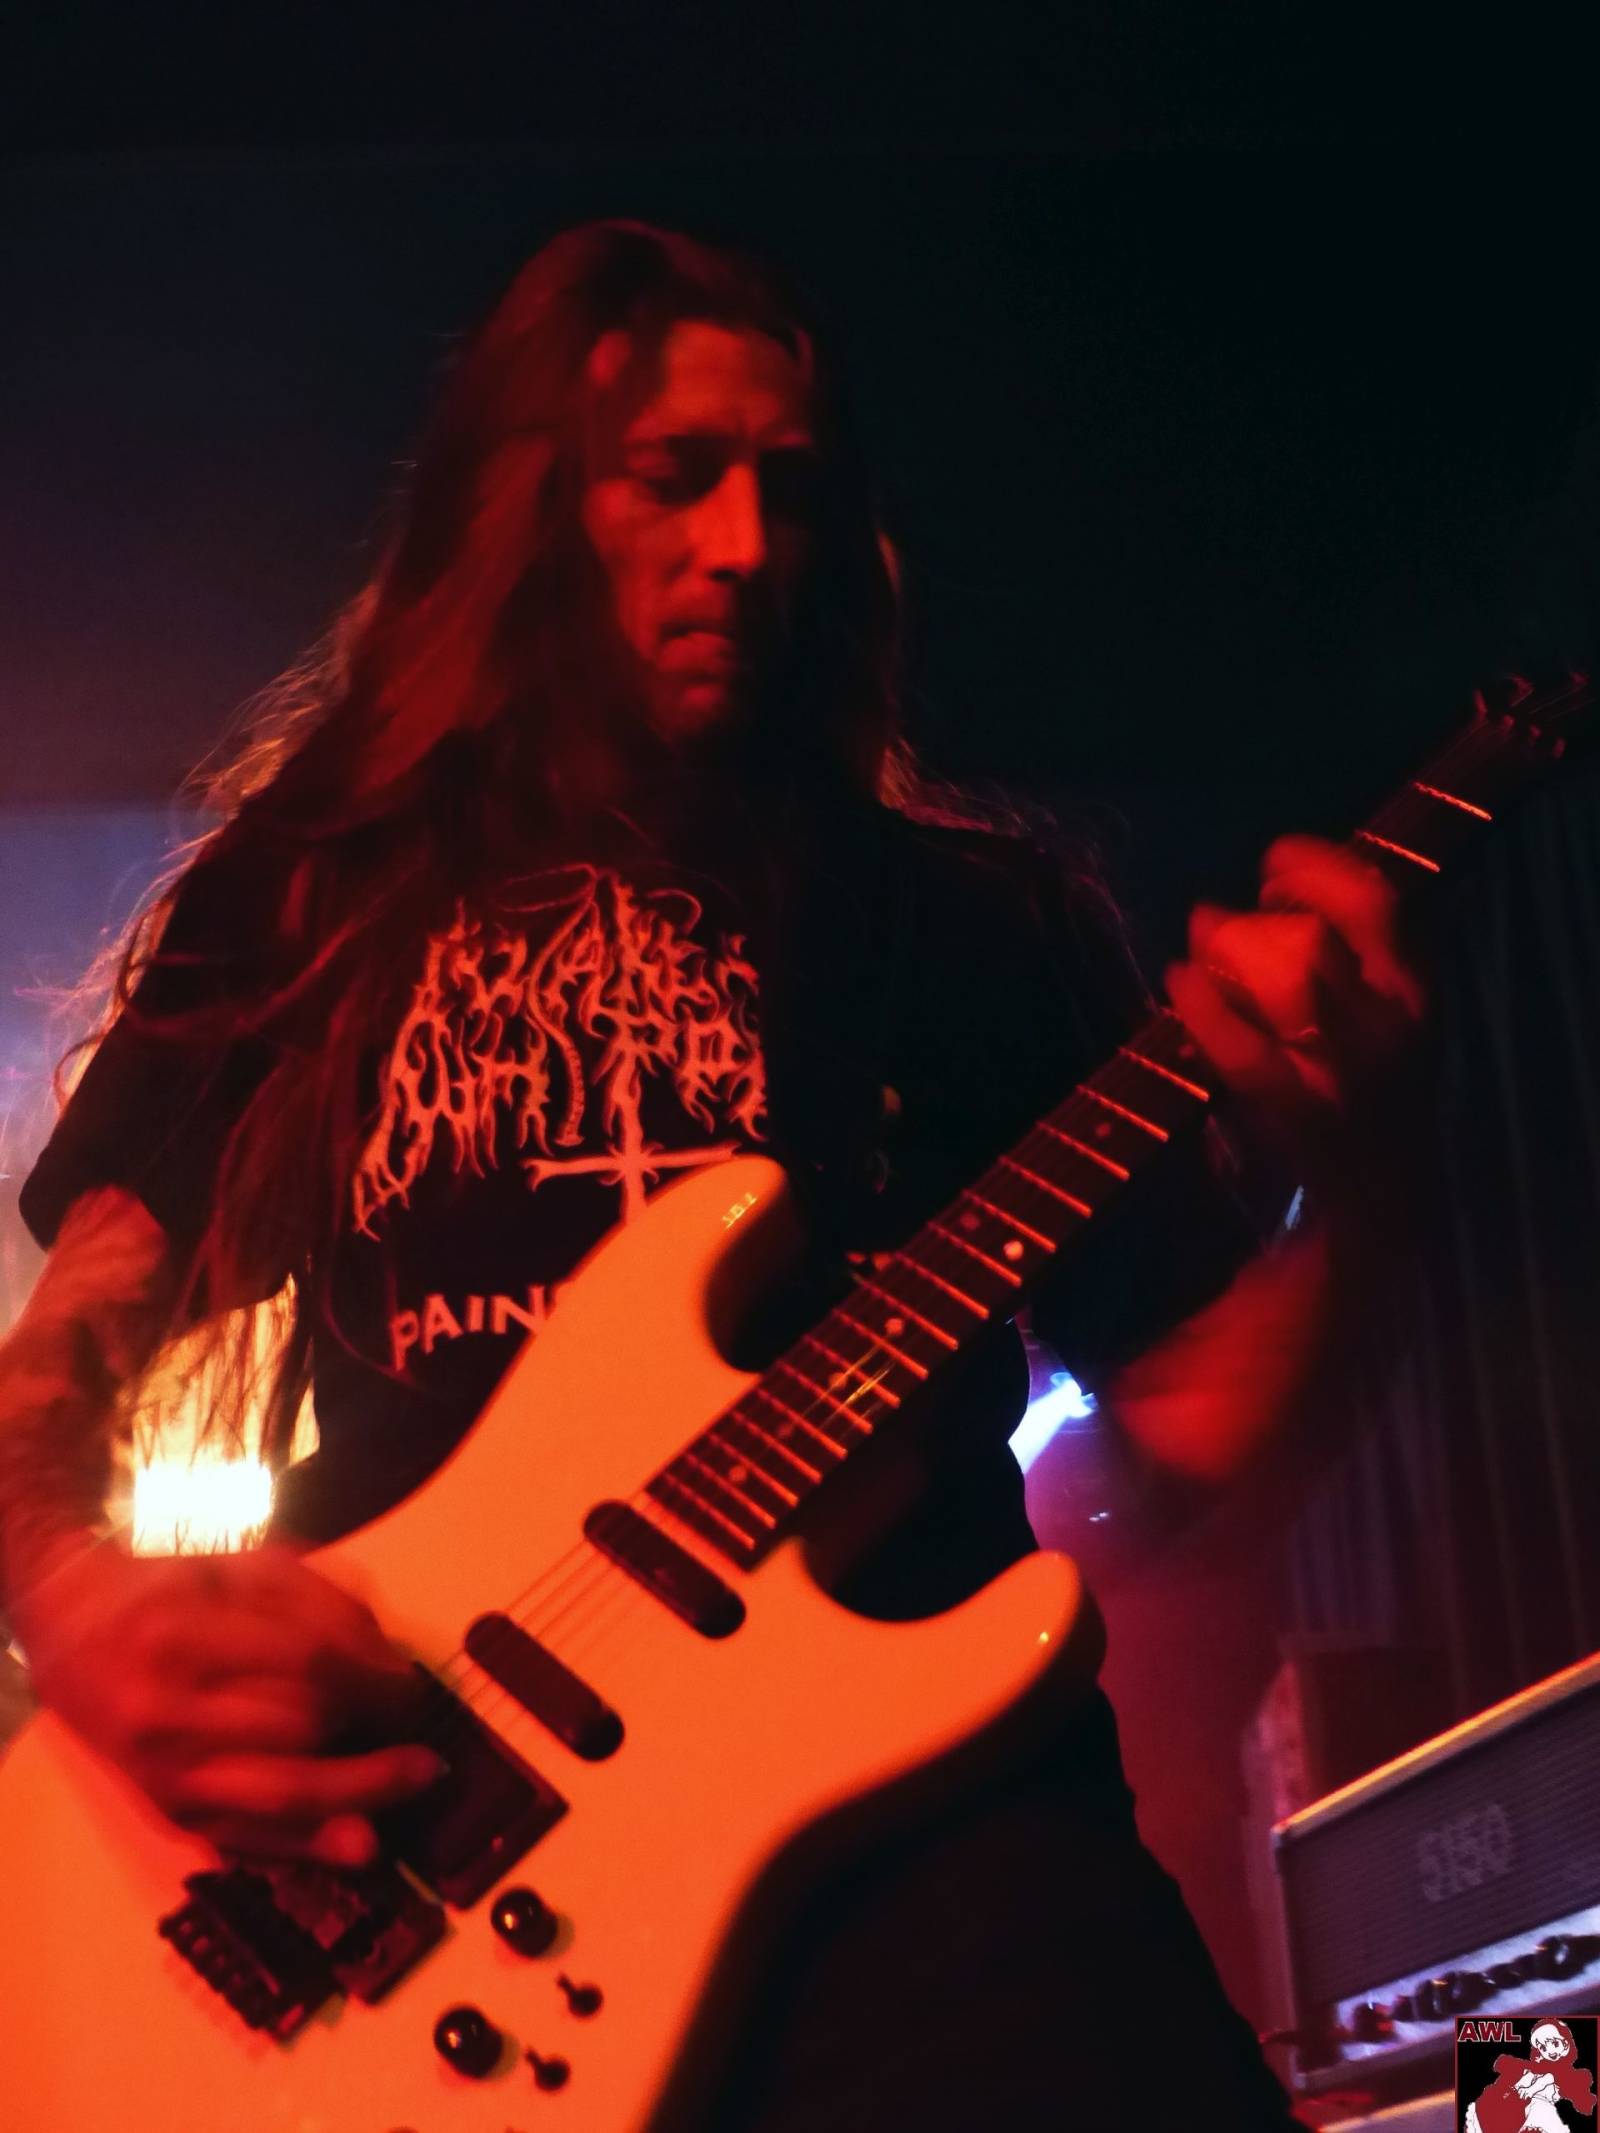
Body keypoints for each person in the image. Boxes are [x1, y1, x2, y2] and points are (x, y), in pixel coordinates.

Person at [0, 220, 1423, 2127]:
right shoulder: (315, 884)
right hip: (419, 1835)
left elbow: (1198, 1448)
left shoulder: (975, 925)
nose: (747, 544)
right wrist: (71, 1598)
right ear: (530, 507)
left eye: (792, 488)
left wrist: (1363, 1163)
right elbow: (75, 1331)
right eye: (674, 476)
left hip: (947, 1867)